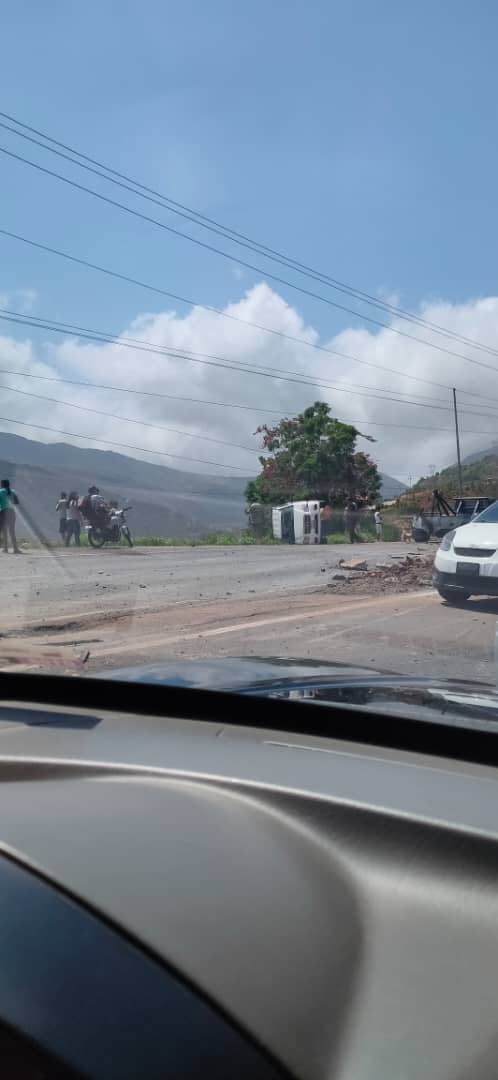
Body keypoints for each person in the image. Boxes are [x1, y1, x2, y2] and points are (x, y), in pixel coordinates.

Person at [0, 479, 21, 553]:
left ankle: (5, 548)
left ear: (2, 484)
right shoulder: (13, 491)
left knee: (4, 531)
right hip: (12, 512)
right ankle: (15, 549)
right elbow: (17, 502)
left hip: (3, 512)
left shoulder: (0, 491)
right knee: (12, 531)